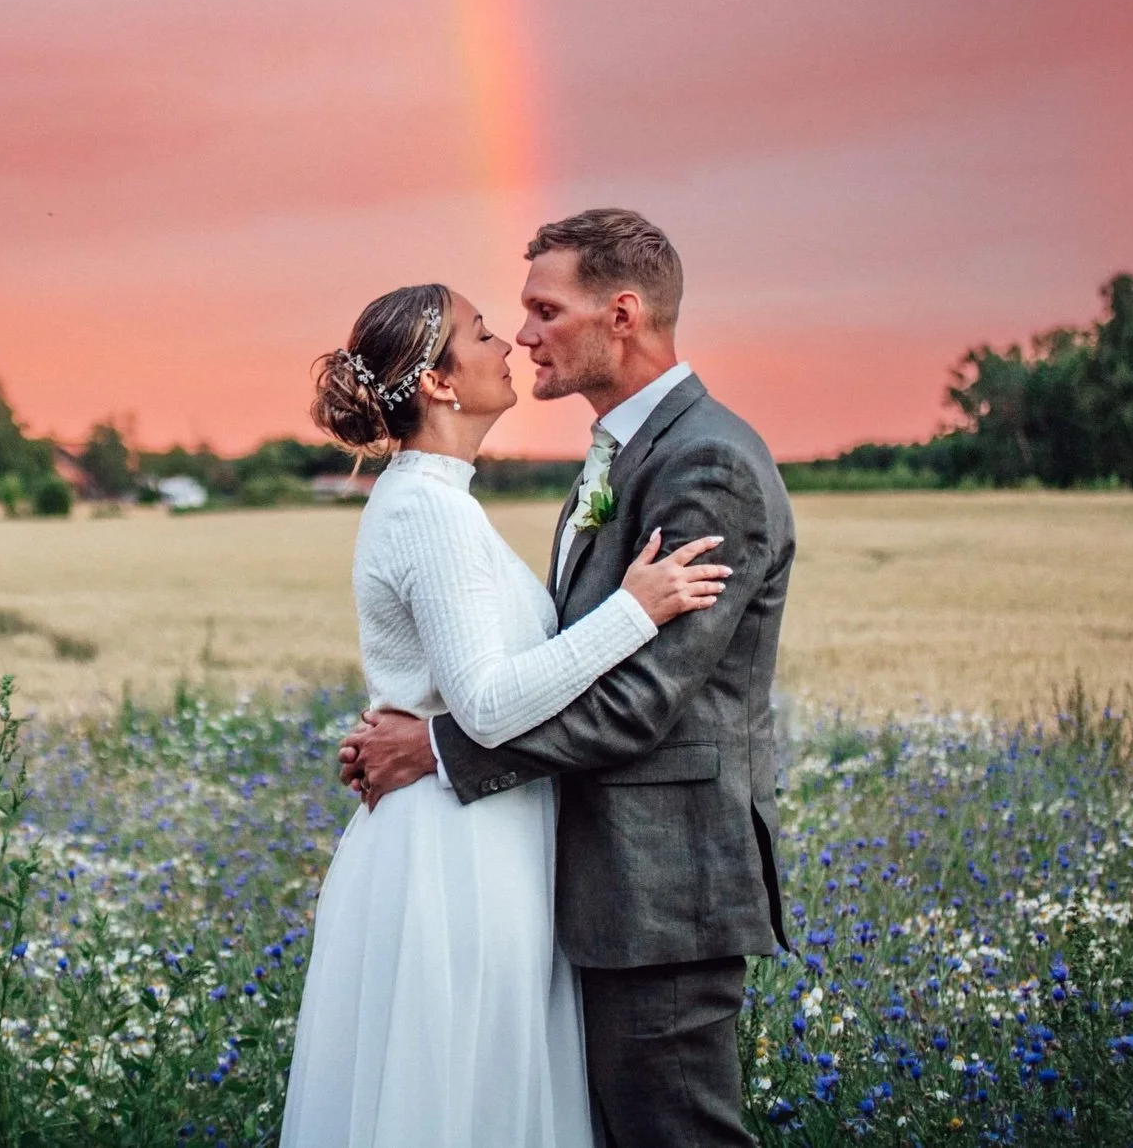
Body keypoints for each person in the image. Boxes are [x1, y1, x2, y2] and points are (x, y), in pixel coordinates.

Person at [339, 209, 794, 1148]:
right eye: (506, 319)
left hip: (661, 887)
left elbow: (641, 701)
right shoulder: (614, 458)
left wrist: (437, 748)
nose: (523, 335)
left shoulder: (705, 460)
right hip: (582, 881)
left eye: (545, 310)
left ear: (621, 314)